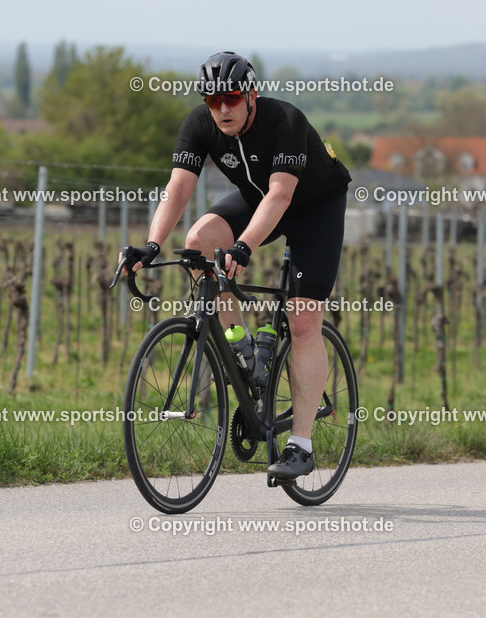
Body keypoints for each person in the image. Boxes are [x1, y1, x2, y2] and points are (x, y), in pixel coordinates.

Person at [121, 51, 351, 480]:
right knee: (198, 241)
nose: (222, 109)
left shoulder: (286, 121)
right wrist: (151, 245)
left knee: (302, 323)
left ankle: (301, 445)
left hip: (313, 208)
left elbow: (281, 196)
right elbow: (178, 189)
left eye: (230, 98)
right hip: (257, 197)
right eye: (212, 100)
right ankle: (241, 345)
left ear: (251, 95)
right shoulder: (200, 124)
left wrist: (243, 247)